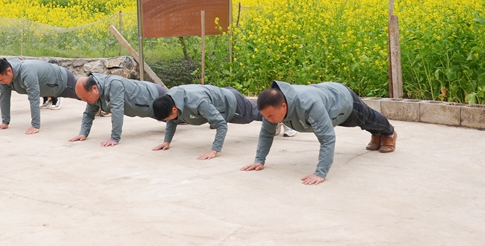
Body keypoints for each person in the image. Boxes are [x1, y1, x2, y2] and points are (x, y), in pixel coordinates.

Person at [241, 80, 397, 185]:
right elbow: (266, 134)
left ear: (283, 106)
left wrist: (320, 173)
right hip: (327, 105)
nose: (268, 119)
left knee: (366, 119)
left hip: (341, 99)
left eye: (270, 115)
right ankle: (377, 136)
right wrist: (259, 160)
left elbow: (327, 139)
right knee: (364, 123)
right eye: (265, 116)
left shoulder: (309, 105)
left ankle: (389, 133)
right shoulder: (273, 111)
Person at [151, 84, 262, 160]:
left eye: (167, 118)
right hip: (219, 97)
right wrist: (167, 141)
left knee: (258, 113)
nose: (168, 121)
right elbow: (172, 120)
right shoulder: (170, 99)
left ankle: (274, 120)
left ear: (174, 109)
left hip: (233, 103)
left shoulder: (198, 102)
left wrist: (214, 151)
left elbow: (221, 124)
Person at [68, 73, 166, 147]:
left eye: (85, 97)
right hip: (148, 108)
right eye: (82, 99)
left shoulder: (114, 84)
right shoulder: (94, 96)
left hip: (156, 96)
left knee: (178, 117)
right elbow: (88, 114)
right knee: (174, 120)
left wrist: (114, 138)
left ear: (94, 88)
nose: (85, 101)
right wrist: (83, 133)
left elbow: (117, 111)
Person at [0, 58, 79, 135]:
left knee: (84, 95)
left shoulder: (27, 72)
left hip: (62, 81)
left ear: (9, 70)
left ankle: (93, 104)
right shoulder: (6, 77)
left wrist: (35, 125)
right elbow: (4, 98)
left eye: (2, 80)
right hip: (49, 88)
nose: (1, 83)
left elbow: (34, 99)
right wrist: (5, 122)